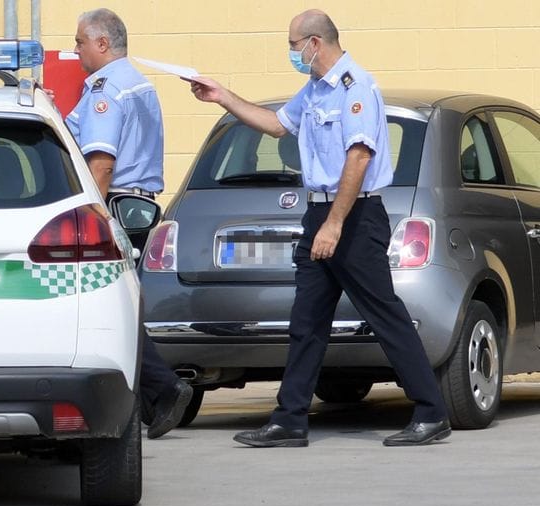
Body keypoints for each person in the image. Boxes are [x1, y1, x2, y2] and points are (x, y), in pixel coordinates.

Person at [188, 9, 451, 447]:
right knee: (306, 321)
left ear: (315, 42)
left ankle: (430, 412)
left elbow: (359, 158)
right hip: (320, 216)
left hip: (353, 218)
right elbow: (276, 125)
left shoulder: (356, 88)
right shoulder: (313, 90)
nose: (291, 52)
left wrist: (333, 224)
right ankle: (290, 419)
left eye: (294, 44)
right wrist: (221, 96)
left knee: (383, 315)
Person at [65, 7, 192, 439]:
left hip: (113, 204)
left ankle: (164, 387)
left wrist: (88, 221)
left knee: (110, 307)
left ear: (103, 43)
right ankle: (152, 398)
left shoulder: (107, 89)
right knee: (120, 305)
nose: (75, 48)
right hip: (133, 205)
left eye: (80, 40)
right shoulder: (136, 82)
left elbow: (99, 164)